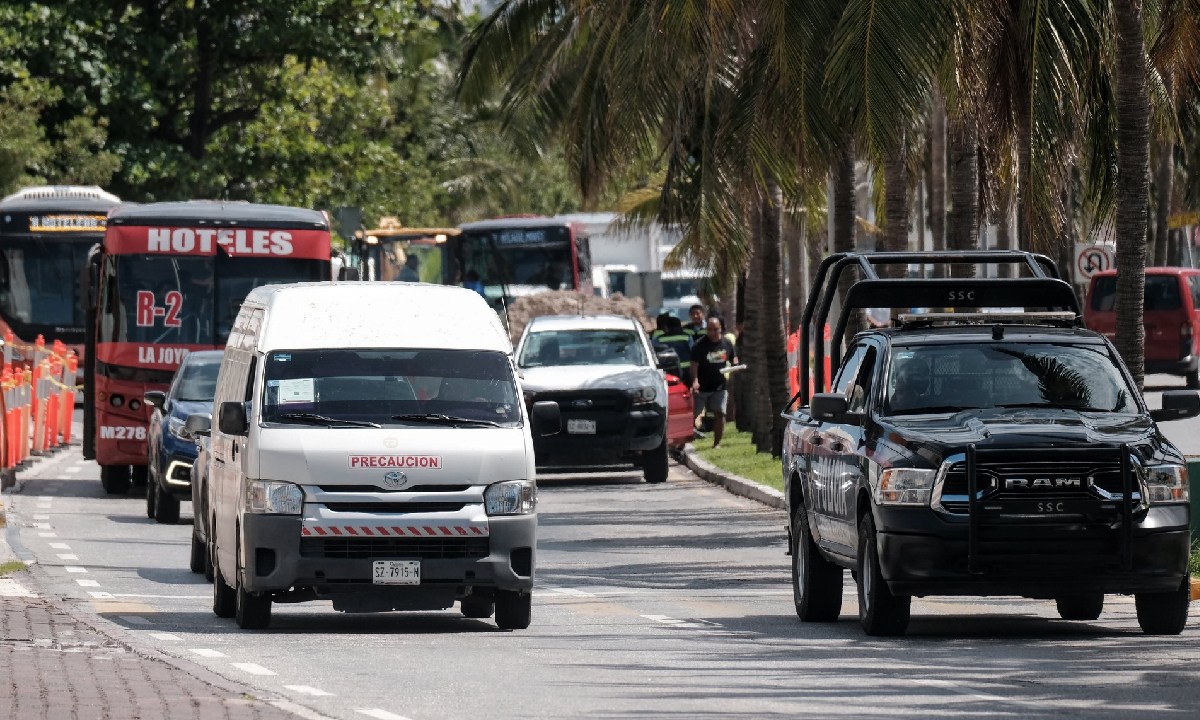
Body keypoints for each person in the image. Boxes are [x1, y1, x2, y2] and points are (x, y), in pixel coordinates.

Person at [691, 316, 737, 449]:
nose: (712, 333)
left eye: (715, 330)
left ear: (721, 329)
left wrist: (736, 366)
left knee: (720, 413)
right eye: (709, 330)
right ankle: (687, 440)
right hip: (702, 386)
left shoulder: (727, 343)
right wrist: (695, 381)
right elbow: (694, 365)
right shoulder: (699, 345)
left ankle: (717, 443)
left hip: (719, 385)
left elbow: (734, 358)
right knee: (695, 414)